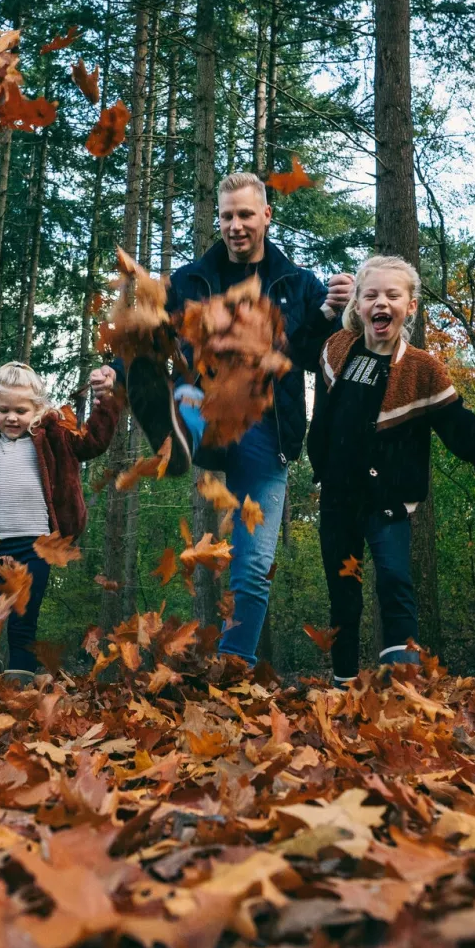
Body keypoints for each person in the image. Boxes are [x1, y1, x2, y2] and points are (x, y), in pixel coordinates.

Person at [121, 171, 354, 665]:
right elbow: (153, 338)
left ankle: (234, 665)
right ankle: (179, 432)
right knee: (186, 381)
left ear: (266, 216)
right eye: (227, 216)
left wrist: (331, 314)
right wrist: (117, 366)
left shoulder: (297, 284)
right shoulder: (189, 280)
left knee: (252, 567)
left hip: (266, 434)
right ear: (218, 221)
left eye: (246, 214)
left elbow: (313, 358)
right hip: (200, 409)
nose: (236, 225)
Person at [307, 255, 475, 684]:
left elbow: (464, 431)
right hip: (338, 497)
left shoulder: (422, 370)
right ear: (358, 304)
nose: (382, 303)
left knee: (395, 581)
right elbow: (319, 406)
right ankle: (341, 684)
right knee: (343, 595)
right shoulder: (336, 349)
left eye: (392, 295)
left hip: (387, 500)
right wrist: (319, 464)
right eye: (371, 295)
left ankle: (403, 684)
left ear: (410, 306)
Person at [0, 362, 120, 680]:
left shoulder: (54, 440)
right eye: (4, 410)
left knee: (22, 620)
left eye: (21, 410)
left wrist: (105, 401)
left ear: (37, 409)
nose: (12, 417)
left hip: (35, 547)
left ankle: (20, 688)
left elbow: (94, 441)